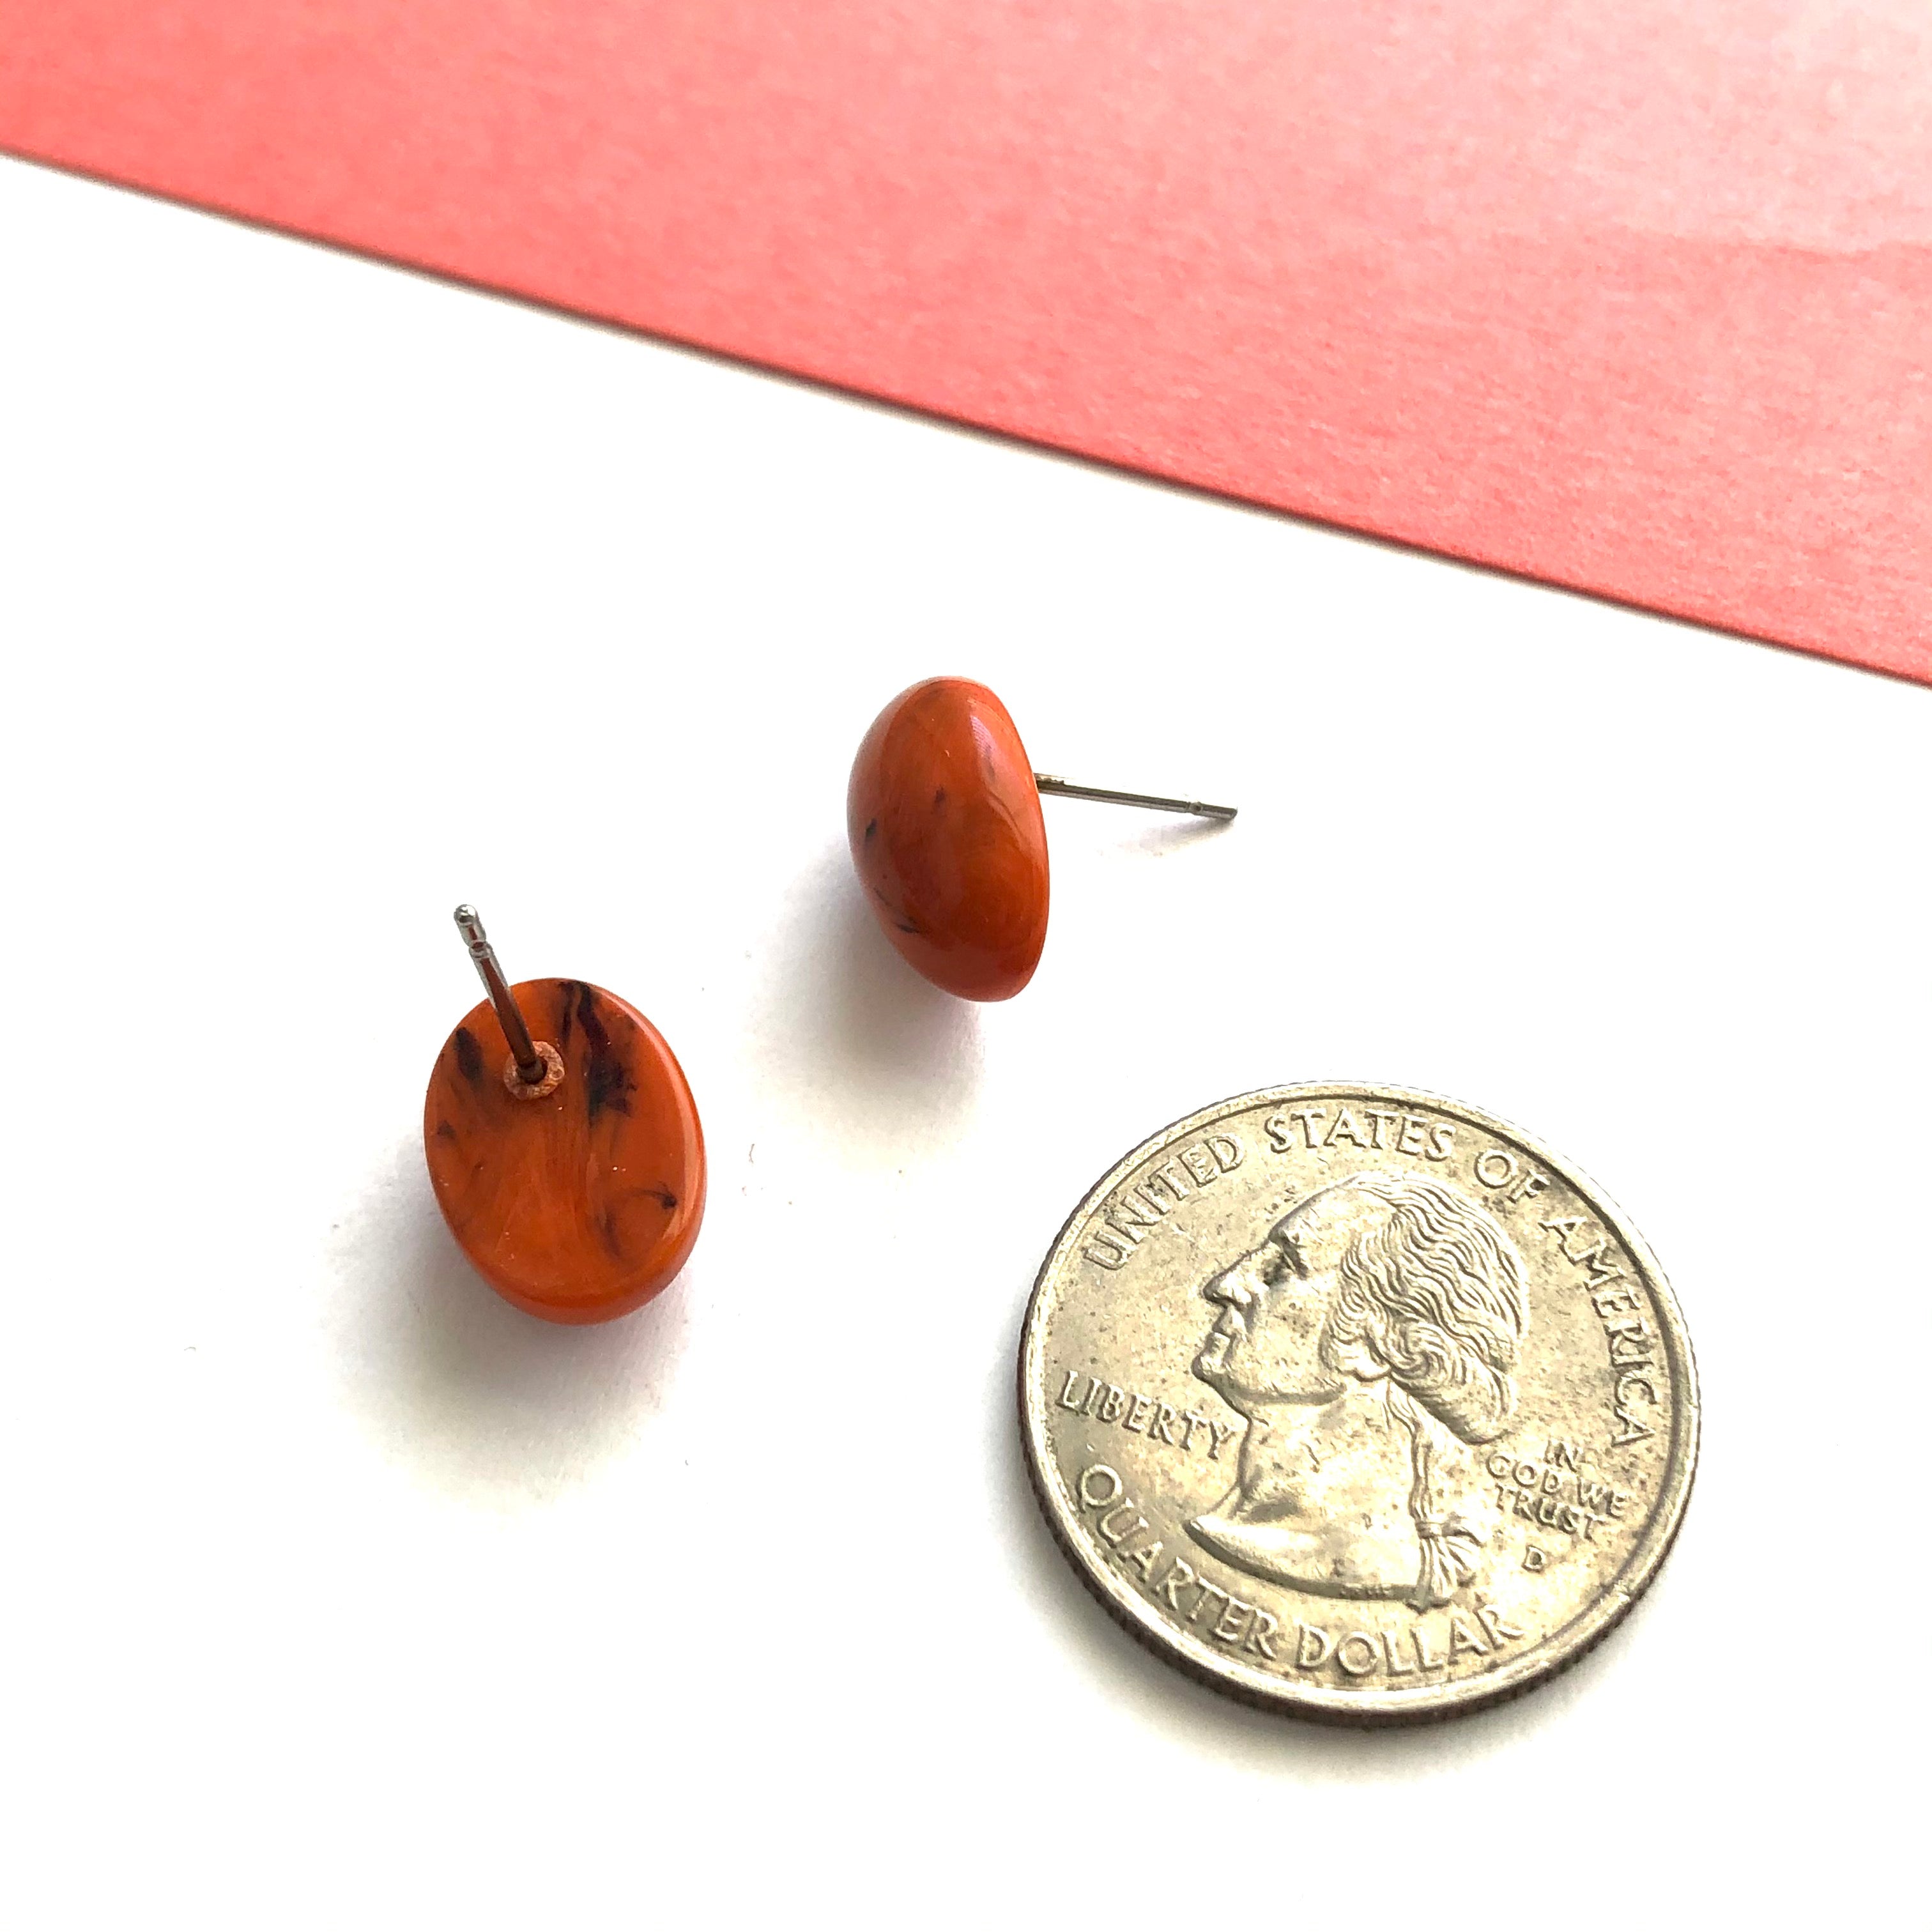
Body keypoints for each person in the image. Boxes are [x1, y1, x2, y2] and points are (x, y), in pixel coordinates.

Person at [1188, 1171, 1528, 1612]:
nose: (1225, 1284)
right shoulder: (1229, 1525)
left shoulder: (1365, 1562)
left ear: (1381, 1340)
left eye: (1284, 1268)